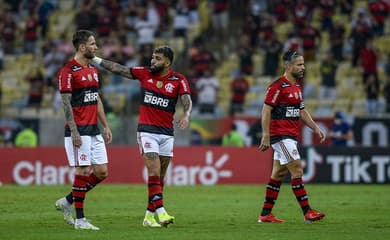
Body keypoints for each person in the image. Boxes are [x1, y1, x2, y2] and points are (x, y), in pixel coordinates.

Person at [91, 45, 192, 228]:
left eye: (158, 58)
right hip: (147, 131)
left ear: (168, 62)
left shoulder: (179, 79)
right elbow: (119, 69)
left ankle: (148, 217)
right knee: (153, 172)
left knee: (159, 178)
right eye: (153, 57)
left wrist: (186, 114)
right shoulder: (144, 74)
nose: (153, 61)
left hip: (167, 133)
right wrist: (95, 59)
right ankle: (161, 212)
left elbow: (186, 99)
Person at [257, 49, 326, 224]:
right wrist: (265, 134)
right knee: (297, 170)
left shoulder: (296, 87)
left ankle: (265, 214)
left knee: (278, 174)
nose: (304, 67)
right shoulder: (277, 86)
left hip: (291, 135)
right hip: (281, 136)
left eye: (303, 64)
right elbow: (266, 110)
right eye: (300, 64)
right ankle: (307, 212)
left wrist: (315, 128)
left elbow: (301, 111)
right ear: (289, 66)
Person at [55, 30, 113, 231]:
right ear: (82, 47)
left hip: (94, 129)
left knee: (102, 171)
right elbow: (66, 104)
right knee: (82, 171)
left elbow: (96, 99)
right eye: (92, 44)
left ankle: (68, 200)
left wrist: (105, 125)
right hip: (78, 130)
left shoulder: (93, 71)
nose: (95, 47)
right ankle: (80, 220)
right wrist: (74, 132)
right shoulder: (68, 72)